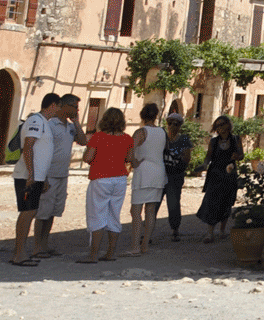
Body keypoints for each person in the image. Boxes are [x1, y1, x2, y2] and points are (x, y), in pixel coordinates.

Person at [31, 93, 88, 257]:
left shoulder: (70, 127)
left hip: (63, 174)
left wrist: (76, 122)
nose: (77, 110)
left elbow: (83, 141)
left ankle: (45, 244)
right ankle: (37, 246)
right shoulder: (50, 125)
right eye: (75, 107)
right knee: (43, 211)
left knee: (53, 211)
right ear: (65, 106)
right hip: (49, 174)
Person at [9, 93, 60, 267]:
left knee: (31, 211)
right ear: (52, 105)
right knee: (27, 212)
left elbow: (41, 153)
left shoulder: (44, 123)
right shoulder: (36, 121)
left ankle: (21, 252)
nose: (59, 110)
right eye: (58, 106)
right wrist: (31, 174)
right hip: (28, 177)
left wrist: (41, 177)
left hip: (35, 176)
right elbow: (29, 146)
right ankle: (19, 254)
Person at [78, 107, 133, 263]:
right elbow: (129, 158)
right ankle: (110, 252)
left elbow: (88, 158)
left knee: (97, 215)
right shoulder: (127, 138)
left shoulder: (98, 137)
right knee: (114, 215)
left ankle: (93, 254)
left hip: (100, 179)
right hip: (120, 179)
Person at [126, 103, 166, 254]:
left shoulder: (141, 132)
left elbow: (130, 151)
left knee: (136, 210)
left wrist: (133, 162)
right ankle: (145, 245)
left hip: (144, 171)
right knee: (150, 210)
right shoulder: (162, 131)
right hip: (158, 171)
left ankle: (135, 245)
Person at [195, 114, 239, 241]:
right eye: (217, 125)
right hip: (215, 173)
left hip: (229, 173)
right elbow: (208, 156)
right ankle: (210, 232)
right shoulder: (214, 141)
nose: (220, 127)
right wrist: (203, 164)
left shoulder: (235, 139)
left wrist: (236, 157)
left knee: (226, 202)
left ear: (228, 125)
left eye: (222, 124)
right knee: (211, 201)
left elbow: (241, 155)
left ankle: (222, 231)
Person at [160, 111, 192, 241]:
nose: (172, 126)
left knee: (173, 203)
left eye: (176, 123)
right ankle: (148, 230)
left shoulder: (184, 139)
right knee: (154, 203)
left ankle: (175, 229)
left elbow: (186, 158)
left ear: (180, 125)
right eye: (170, 123)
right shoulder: (162, 138)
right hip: (161, 175)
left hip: (175, 176)